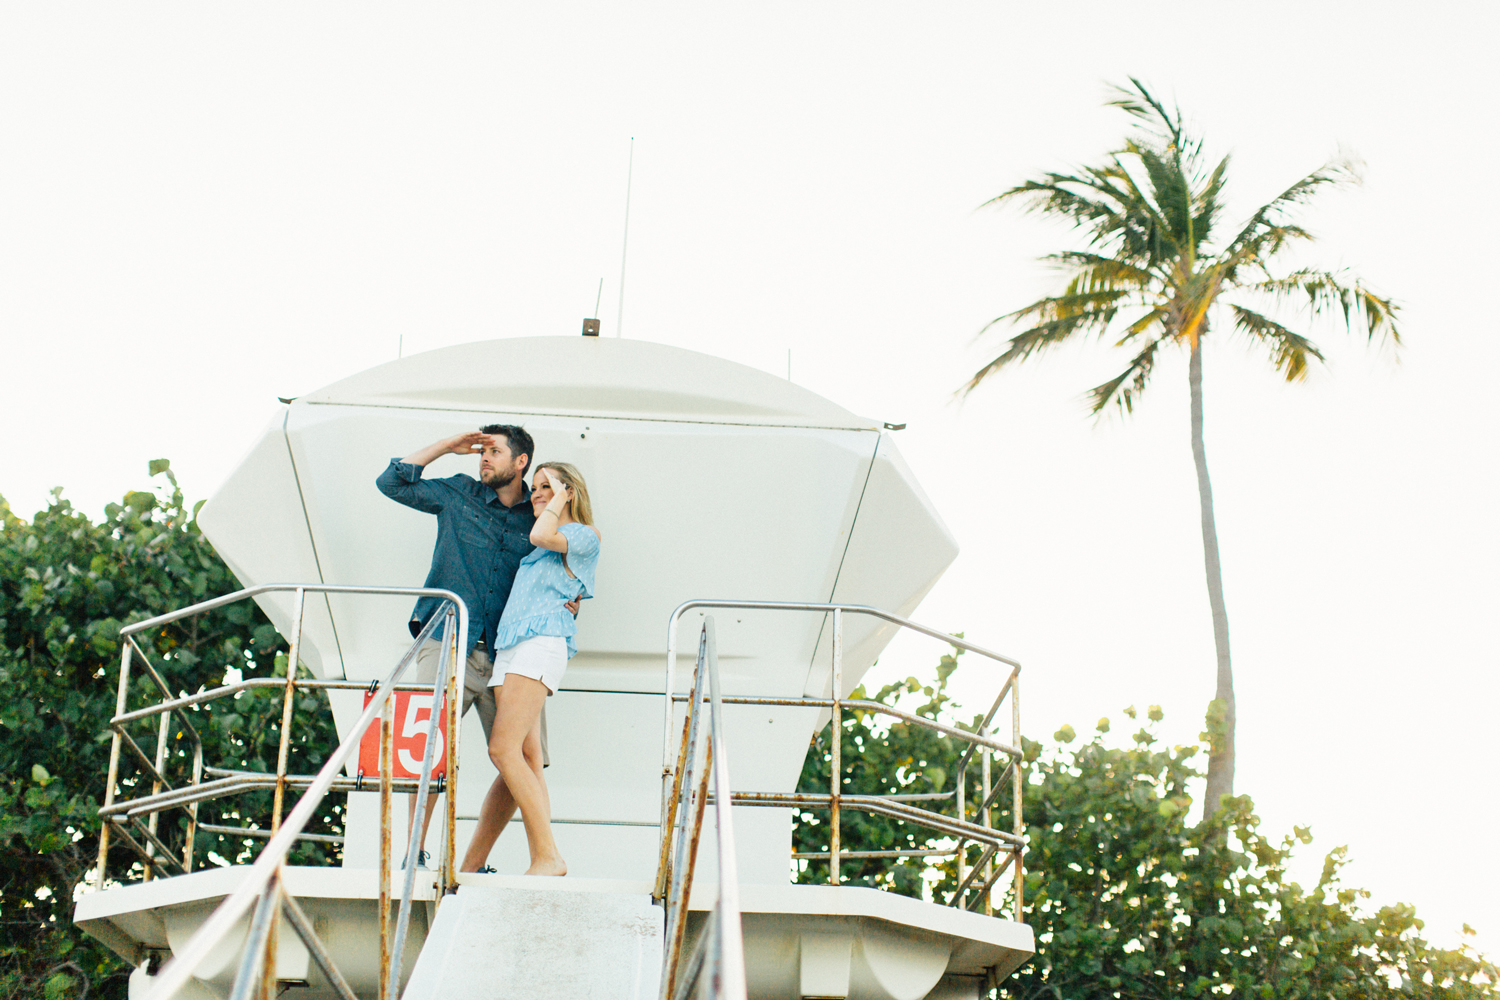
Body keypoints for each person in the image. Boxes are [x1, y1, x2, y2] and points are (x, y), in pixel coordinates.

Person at [375, 425, 566, 868]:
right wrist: (446, 445)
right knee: (425, 748)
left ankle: (474, 862)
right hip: (446, 641)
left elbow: (566, 557)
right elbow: (392, 483)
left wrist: (571, 595)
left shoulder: (537, 520)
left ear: (521, 462)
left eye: (494, 452)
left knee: (520, 759)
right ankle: (414, 855)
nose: (483, 459)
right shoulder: (456, 493)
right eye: (481, 452)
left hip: (510, 654)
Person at [461, 461, 600, 877]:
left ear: (569, 492)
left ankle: (548, 856)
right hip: (512, 648)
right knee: (525, 759)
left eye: (546, 486)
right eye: (535, 486)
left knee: (502, 749)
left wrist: (558, 498)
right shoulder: (545, 547)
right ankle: (476, 863)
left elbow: (541, 532)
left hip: (540, 645)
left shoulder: (582, 535)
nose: (535, 493)